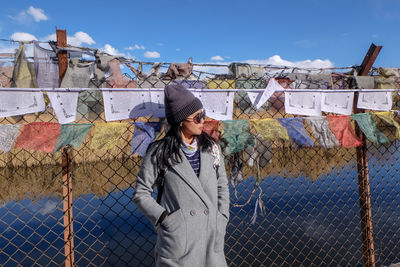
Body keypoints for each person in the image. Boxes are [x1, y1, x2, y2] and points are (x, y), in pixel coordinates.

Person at [133, 83, 230, 267]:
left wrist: (222, 217)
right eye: (197, 117)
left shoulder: (212, 148)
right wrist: (165, 219)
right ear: (180, 121)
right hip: (179, 239)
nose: (203, 121)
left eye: (204, 114)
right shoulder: (159, 152)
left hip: (211, 234)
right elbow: (141, 193)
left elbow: (221, 185)